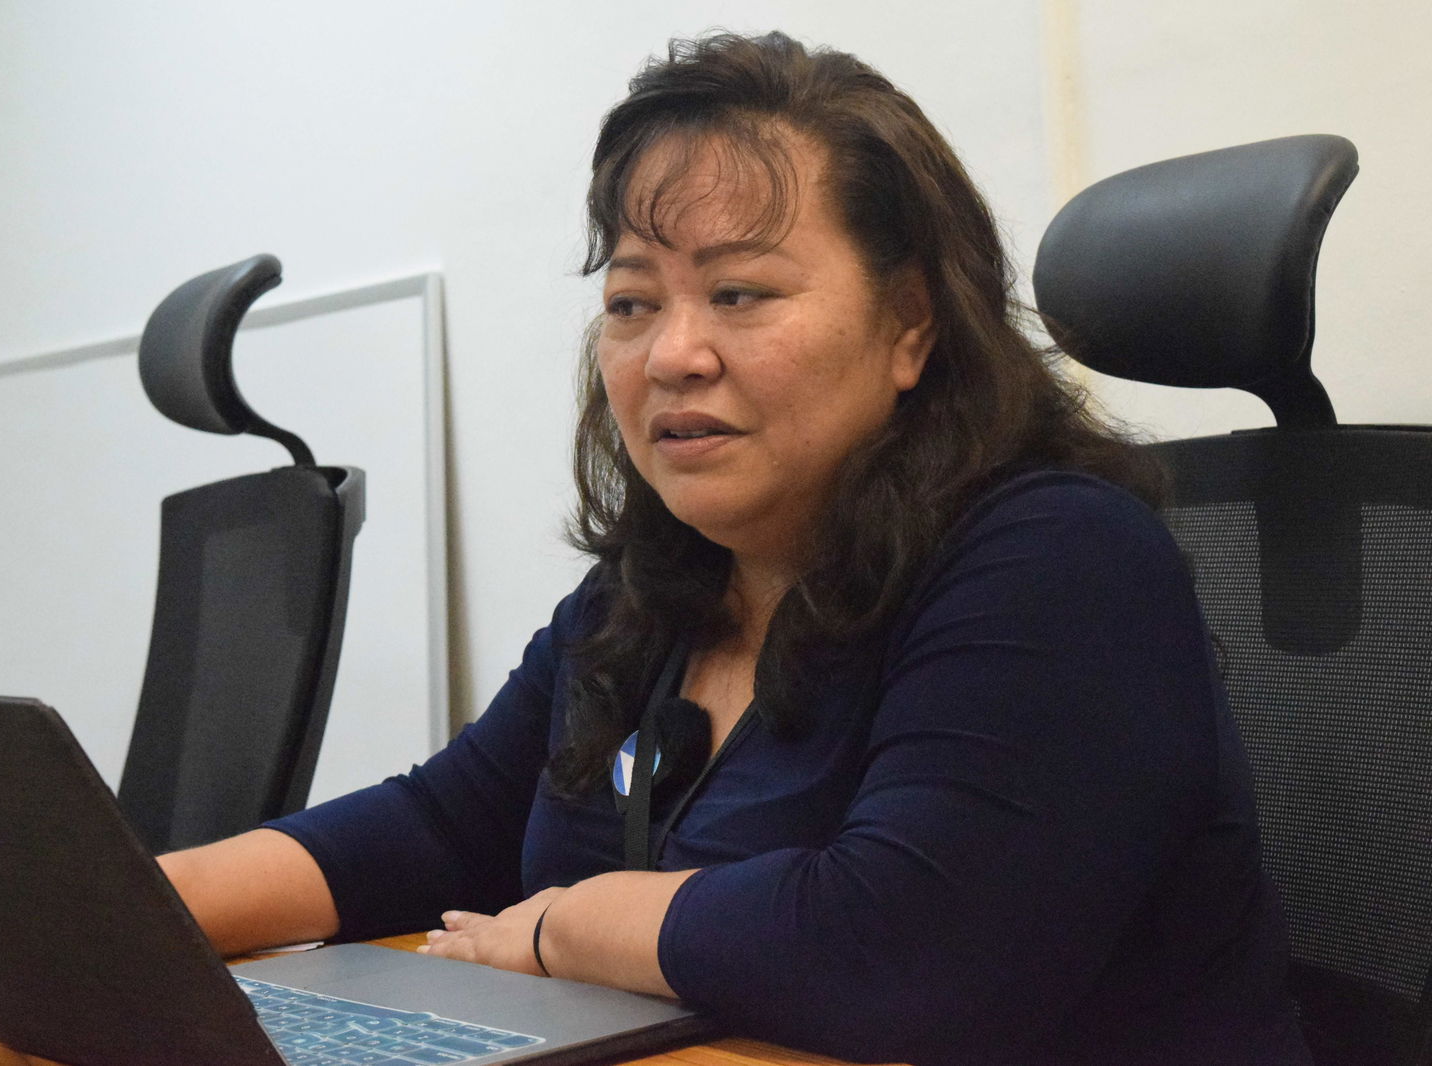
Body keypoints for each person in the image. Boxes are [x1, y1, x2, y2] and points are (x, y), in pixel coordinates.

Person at [138, 32, 1308, 1065]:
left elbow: (898, 950)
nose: (671, 354)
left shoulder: (1060, 558)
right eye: (632, 302)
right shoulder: (649, 587)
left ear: (909, 324)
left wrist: (565, 924)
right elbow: (444, 825)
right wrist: (132, 907)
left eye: (740, 293)